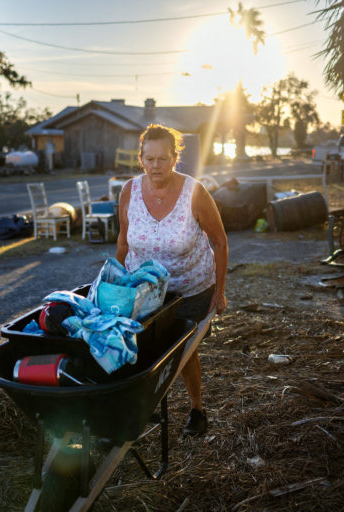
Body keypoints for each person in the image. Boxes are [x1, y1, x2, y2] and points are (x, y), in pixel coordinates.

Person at [116, 123, 228, 436]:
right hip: (144, 292)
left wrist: (219, 293)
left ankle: (196, 409)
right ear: (141, 158)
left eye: (162, 159)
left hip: (189, 290)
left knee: (184, 351)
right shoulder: (129, 191)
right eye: (149, 159)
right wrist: (116, 286)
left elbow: (219, 241)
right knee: (140, 350)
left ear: (175, 157)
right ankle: (139, 409)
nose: (155, 166)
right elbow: (124, 242)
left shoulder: (195, 192)